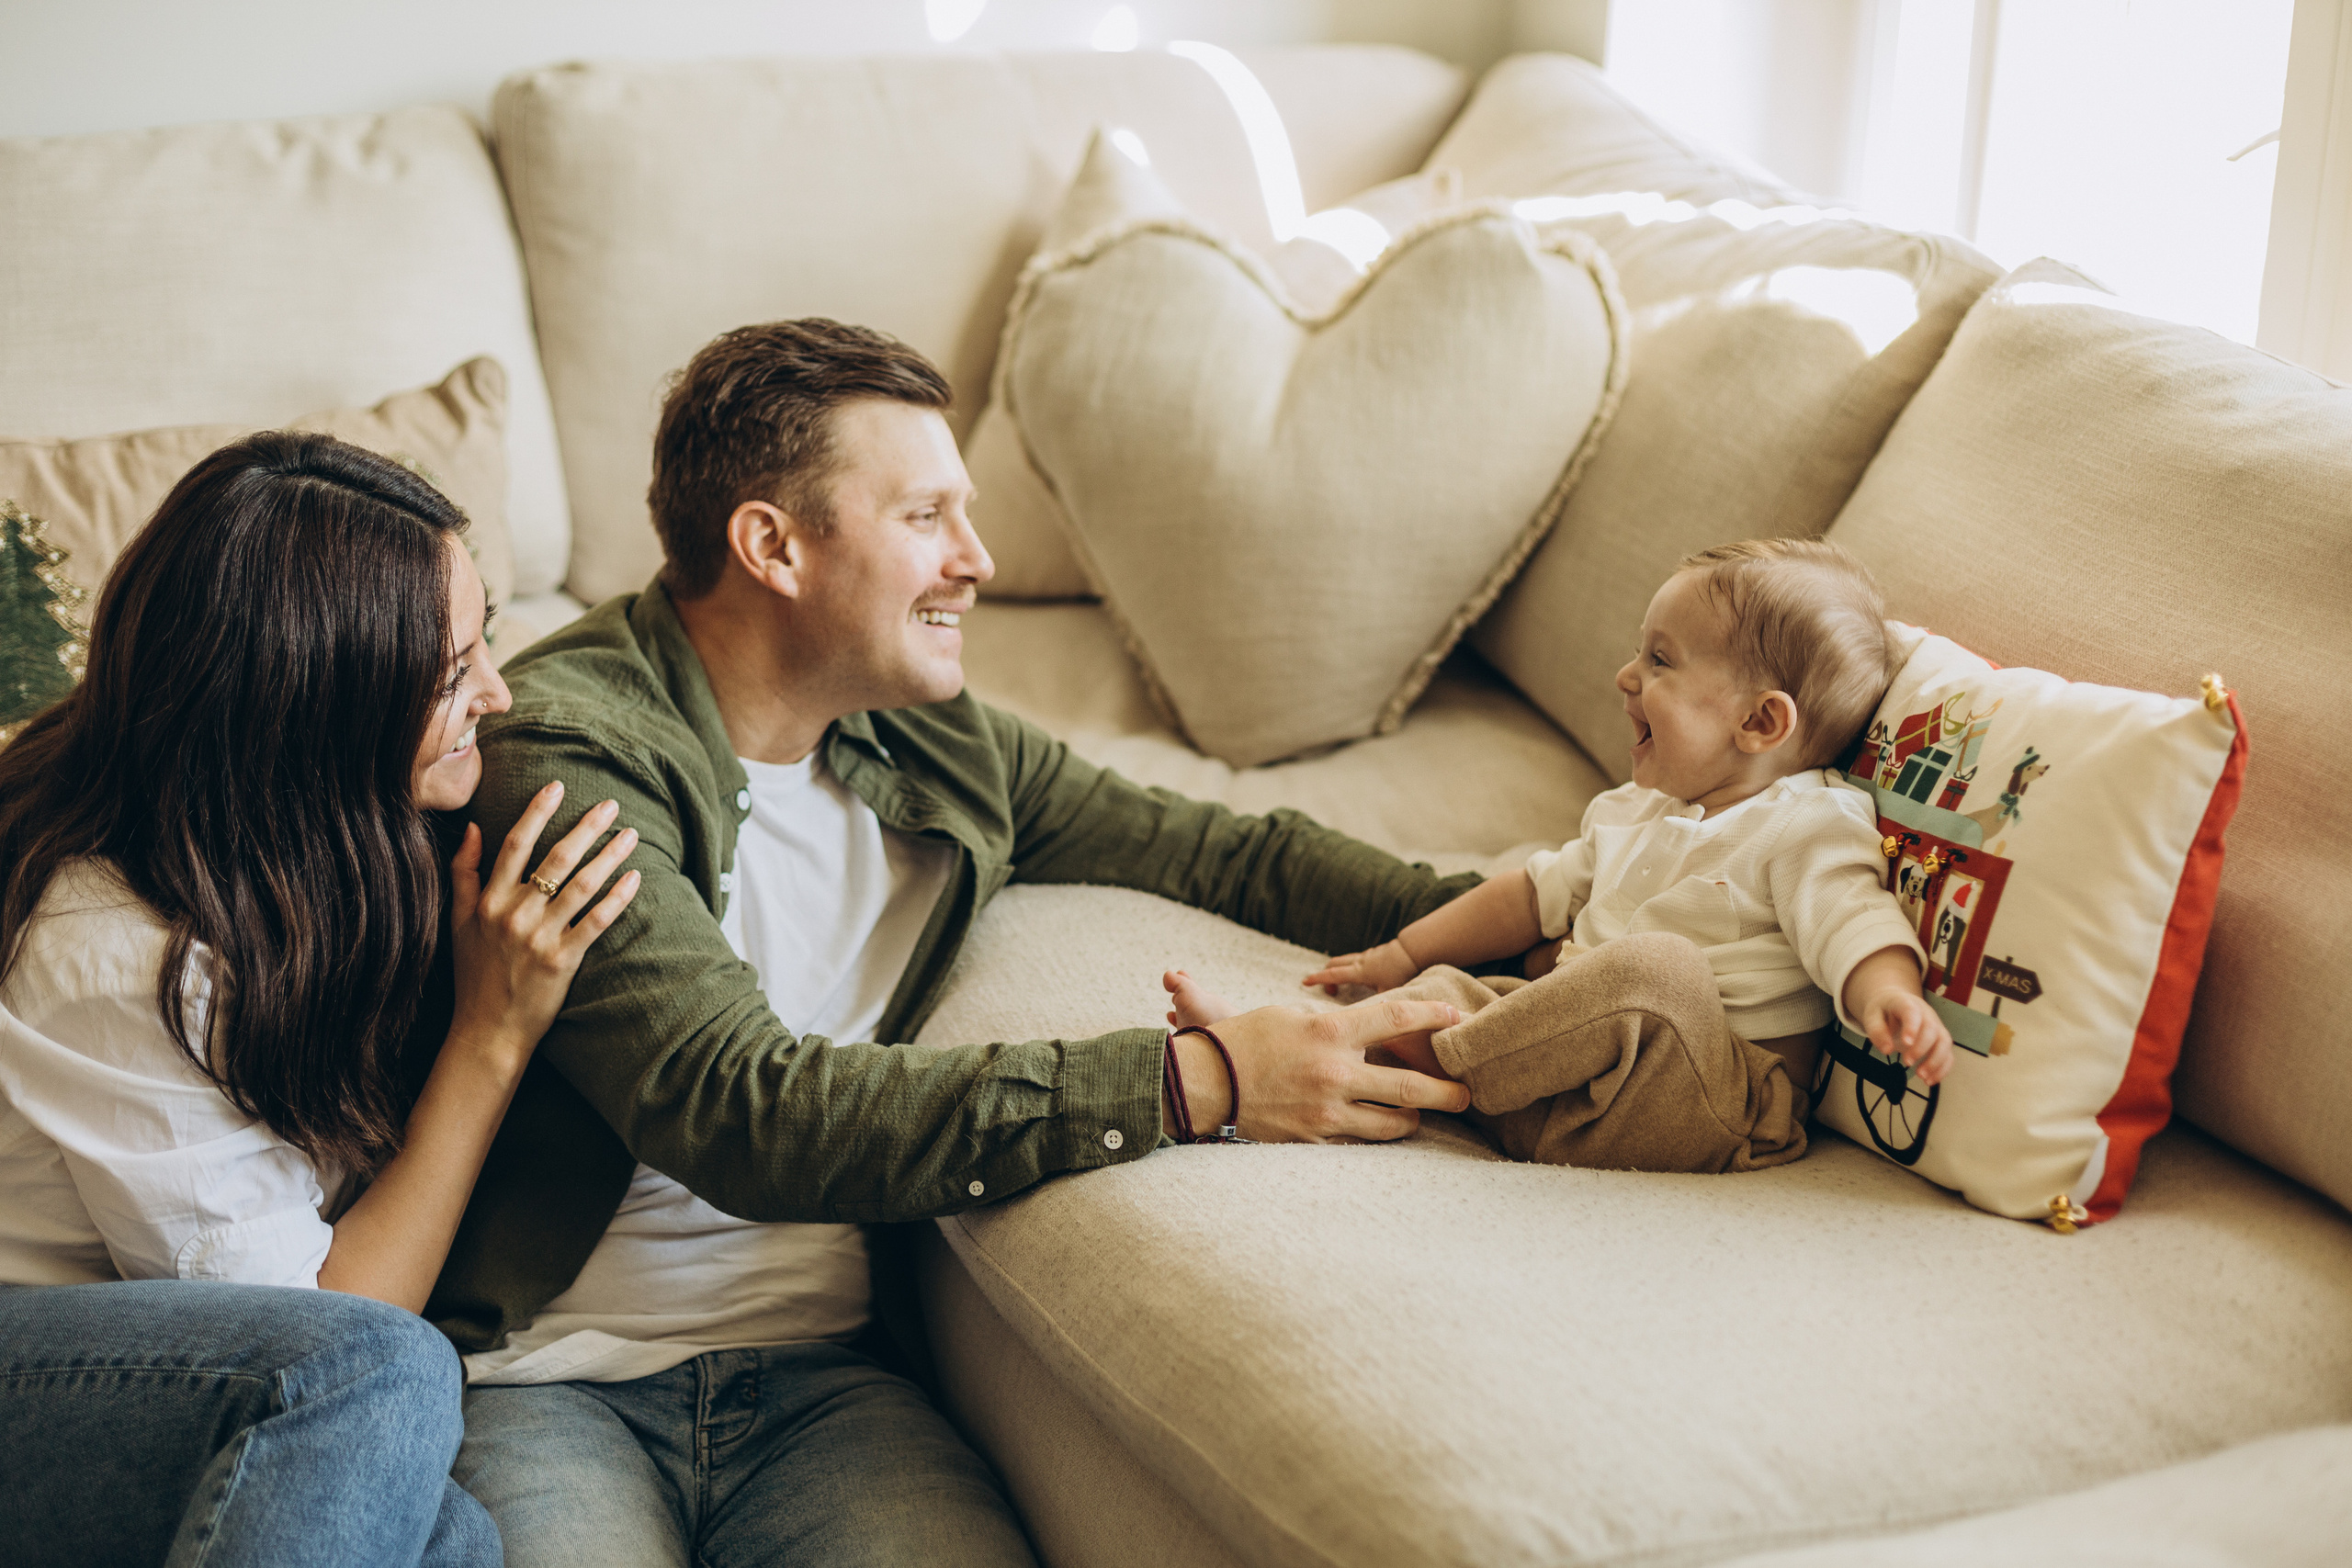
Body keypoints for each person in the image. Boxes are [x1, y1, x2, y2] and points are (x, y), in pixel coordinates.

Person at [440, 319, 1476, 1568]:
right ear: (772, 544)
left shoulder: (931, 735)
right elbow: (742, 1110)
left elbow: (1218, 854)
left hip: (824, 1380)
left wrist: (1545, 917)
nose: (977, 561)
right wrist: (1203, 1078)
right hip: (548, 1380)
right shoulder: (567, 755)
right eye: (927, 515)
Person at [0, 432, 639, 1568]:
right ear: (314, 706)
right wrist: (492, 1036)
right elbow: (335, 1333)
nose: (496, 690)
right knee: (379, 1373)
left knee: (451, 1542)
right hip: (37, 1361)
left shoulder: (301, 844)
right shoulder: (109, 951)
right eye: (450, 673)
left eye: (484, 633)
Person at [1169, 537, 1955, 1174]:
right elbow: (1527, 893)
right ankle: (1304, 1062)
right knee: (1444, 988)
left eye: (1660, 660)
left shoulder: (1807, 822)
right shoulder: (1629, 809)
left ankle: (1418, 1059)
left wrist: (1889, 994)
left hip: (1715, 1103)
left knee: (1657, 971)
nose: (1625, 675)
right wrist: (1403, 951)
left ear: (1760, 722)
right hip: (1565, 1095)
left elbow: (1851, 914)